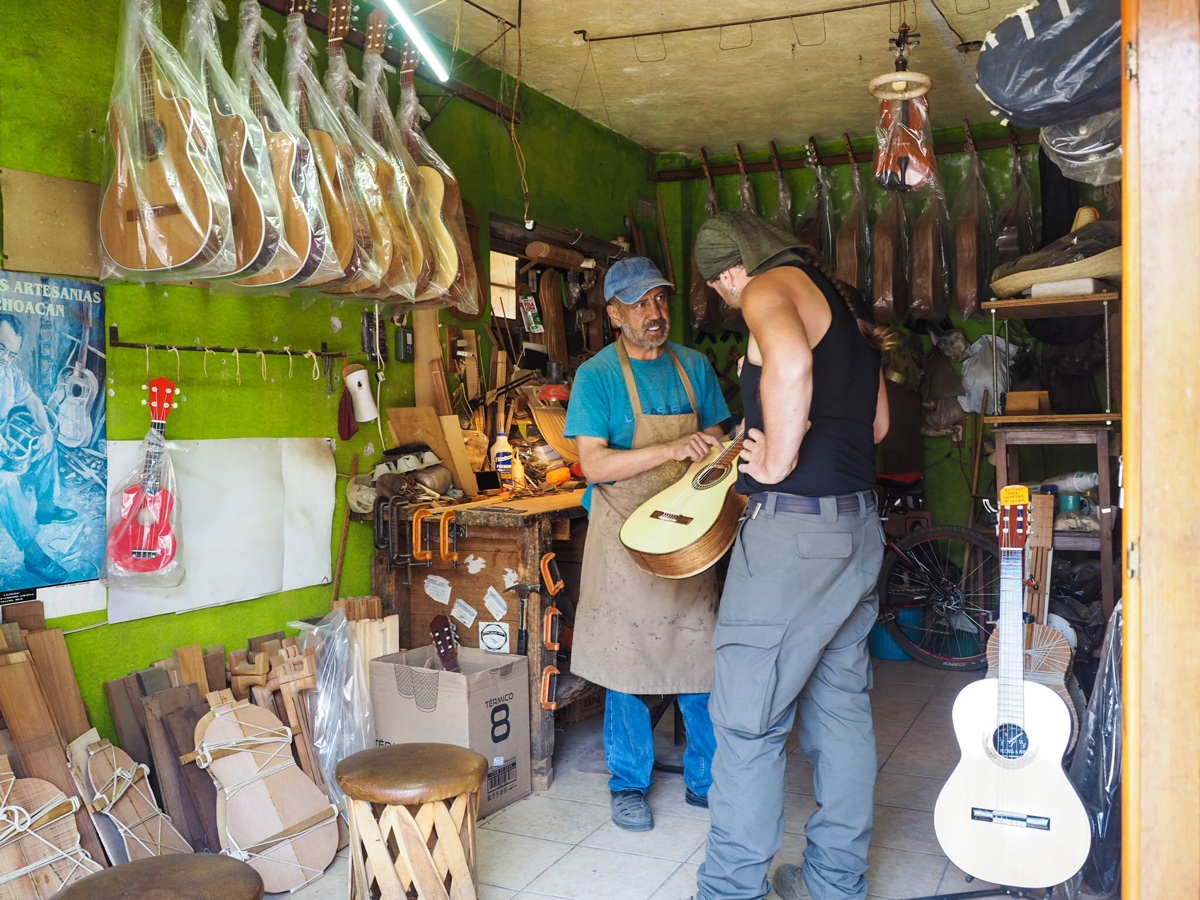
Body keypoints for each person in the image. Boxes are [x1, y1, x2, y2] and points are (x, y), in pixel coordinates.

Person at [690, 212, 892, 900]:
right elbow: (877, 425)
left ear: (730, 271)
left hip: (794, 538)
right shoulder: (843, 310)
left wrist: (777, 458)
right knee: (841, 712)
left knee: (748, 721)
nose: (732, 303)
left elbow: (793, 363)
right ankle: (836, 883)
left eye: (722, 291)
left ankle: (729, 891)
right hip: (856, 530)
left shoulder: (766, 287)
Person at [564, 256, 732, 832]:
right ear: (615, 314)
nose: (654, 312)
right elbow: (593, 464)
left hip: (687, 535)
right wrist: (671, 448)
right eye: (639, 304)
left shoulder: (694, 366)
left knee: (700, 661)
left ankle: (706, 781)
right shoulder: (596, 377)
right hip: (624, 540)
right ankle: (629, 785)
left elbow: (719, 439)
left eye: (660, 299)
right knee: (628, 665)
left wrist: (714, 446)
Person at [0, 313, 73, 584]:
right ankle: (32, 555)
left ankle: (46, 507)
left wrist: (47, 433)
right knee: (5, 482)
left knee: (46, 447)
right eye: (0, 349)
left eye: (12, 354)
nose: (5, 358)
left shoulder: (9, 371)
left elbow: (31, 398)